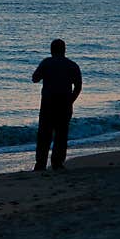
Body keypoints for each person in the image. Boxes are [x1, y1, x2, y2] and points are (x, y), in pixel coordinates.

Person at [32, 39, 82, 171]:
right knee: (61, 134)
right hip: (65, 103)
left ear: (51, 50)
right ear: (64, 50)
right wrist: (71, 100)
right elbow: (78, 86)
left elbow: (35, 78)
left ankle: (41, 163)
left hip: (48, 104)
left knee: (44, 134)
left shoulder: (47, 63)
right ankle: (57, 162)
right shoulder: (72, 65)